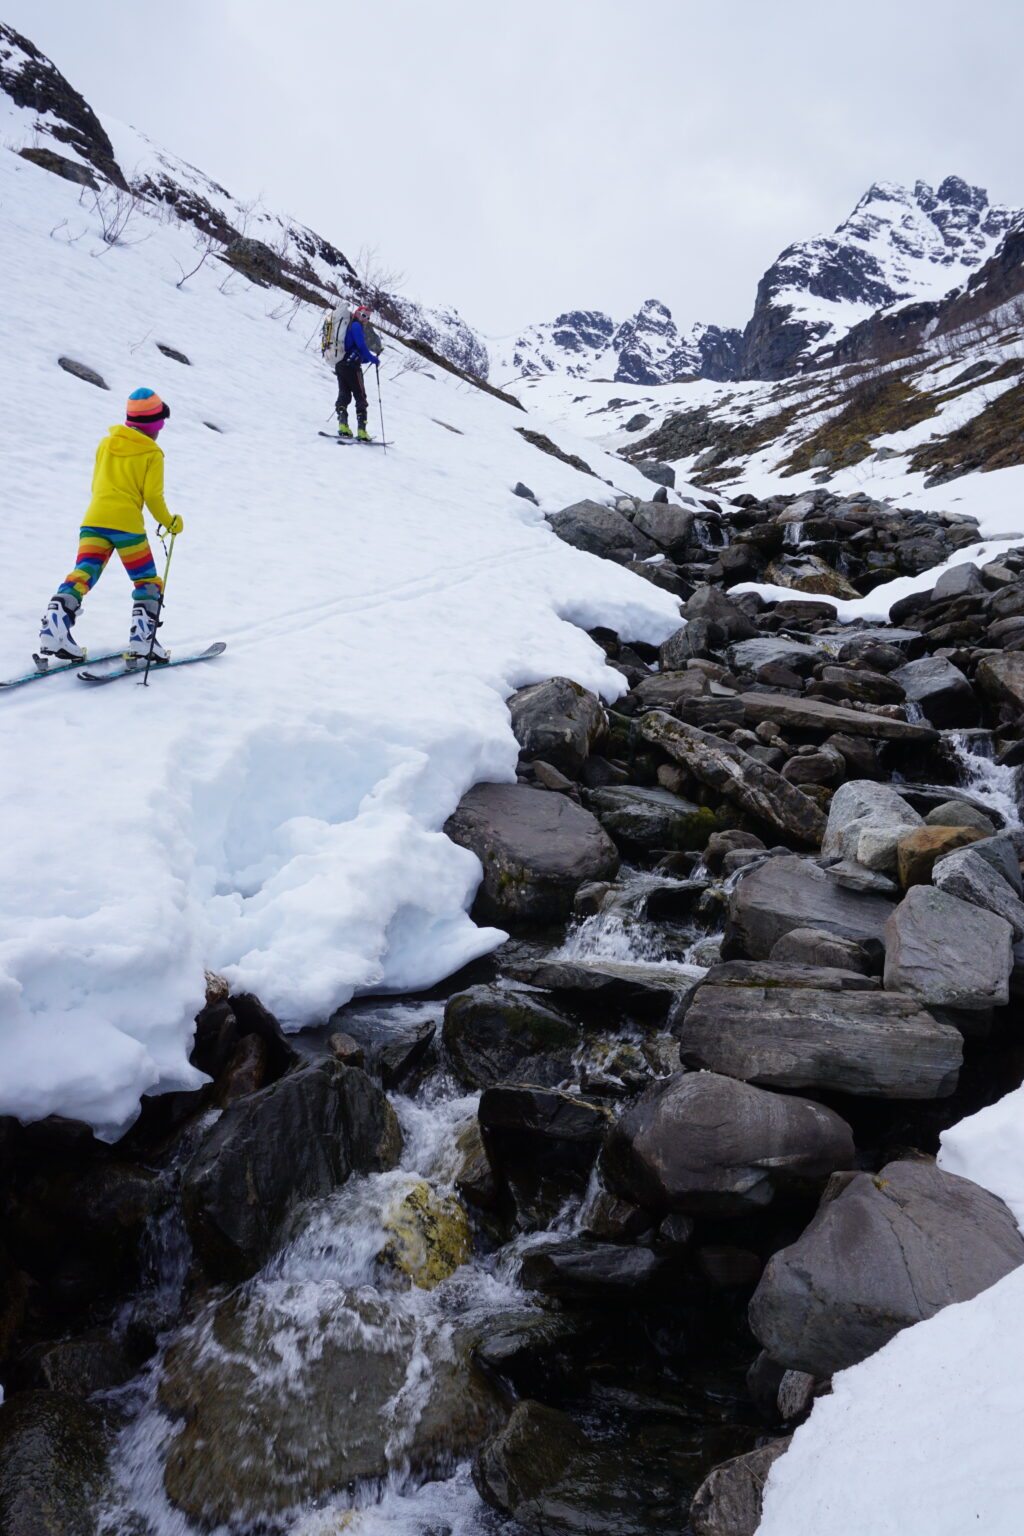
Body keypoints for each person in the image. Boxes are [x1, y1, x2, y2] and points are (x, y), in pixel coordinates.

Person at [37, 388, 183, 665]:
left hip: (93, 521)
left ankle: (54, 627)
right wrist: (170, 523)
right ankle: (143, 641)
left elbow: (96, 483)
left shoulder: (106, 444)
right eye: (160, 425)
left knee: (83, 574)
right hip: (127, 526)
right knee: (146, 581)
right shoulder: (152, 452)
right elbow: (153, 496)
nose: (160, 431)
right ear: (154, 426)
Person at [331, 302, 381, 440]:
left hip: (340, 364)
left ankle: (343, 426)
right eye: (364, 315)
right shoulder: (356, 325)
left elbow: (355, 349)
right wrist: (373, 359)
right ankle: (362, 431)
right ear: (357, 313)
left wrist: (365, 359)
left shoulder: (348, 326)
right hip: (352, 367)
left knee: (344, 394)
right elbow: (362, 346)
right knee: (360, 397)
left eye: (368, 318)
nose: (366, 319)